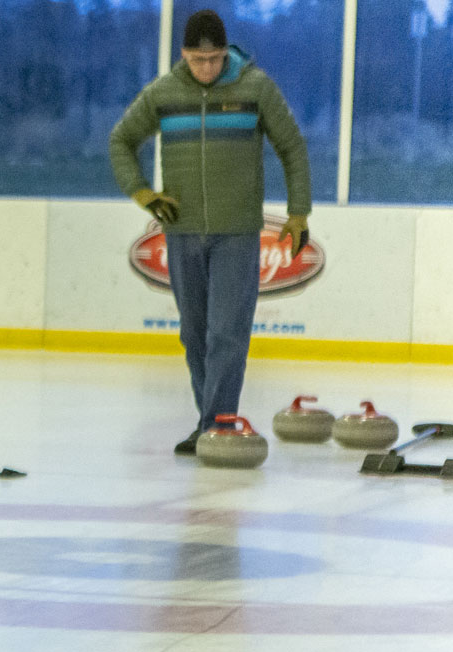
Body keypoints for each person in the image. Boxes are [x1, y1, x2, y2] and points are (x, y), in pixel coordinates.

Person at [110, 9, 311, 455]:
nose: (206, 68)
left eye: (215, 59)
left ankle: (217, 423)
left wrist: (298, 213)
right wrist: (142, 193)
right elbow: (121, 140)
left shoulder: (255, 87)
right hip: (182, 233)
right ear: (183, 55)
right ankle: (211, 424)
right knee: (194, 333)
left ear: (226, 54)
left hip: (236, 233)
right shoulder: (163, 93)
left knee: (226, 333)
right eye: (198, 61)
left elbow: (292, 146)